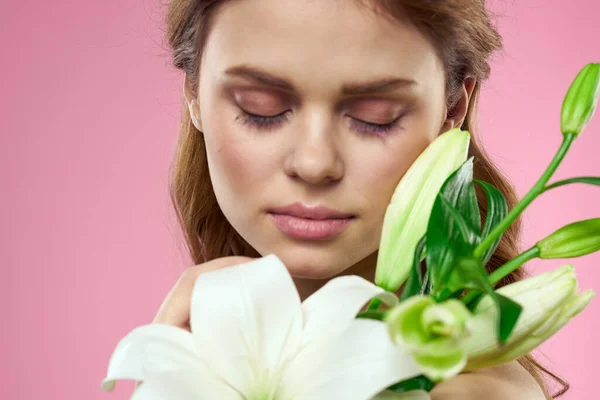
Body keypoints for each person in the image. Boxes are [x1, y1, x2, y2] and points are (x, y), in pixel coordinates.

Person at [150, 0, 566, 398]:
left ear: (452, 108)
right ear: (194, 95)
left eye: (375, 116)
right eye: (261, 108)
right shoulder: (192, 341)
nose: (314, 163)